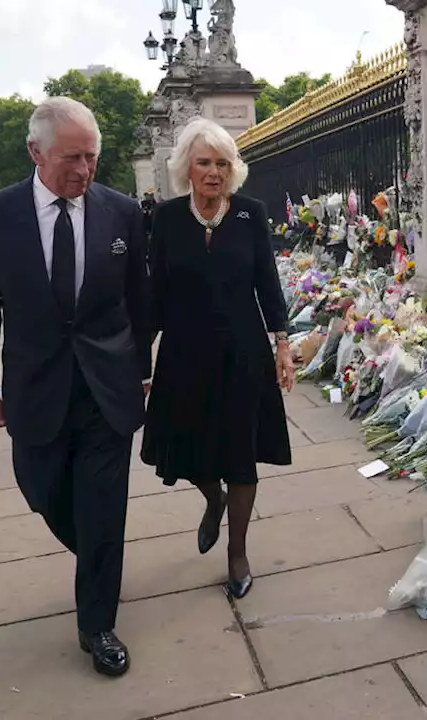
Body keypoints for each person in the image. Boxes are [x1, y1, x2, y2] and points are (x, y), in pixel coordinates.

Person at [0, 96, 151, 678]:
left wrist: (142, 369)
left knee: (103, 507)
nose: (84, 170)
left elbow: (139, 301)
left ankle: (97, 622)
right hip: (34, 384)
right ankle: (95, 555)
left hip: (107, 386)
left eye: (92, 157)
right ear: (35, 152)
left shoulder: (121, 212)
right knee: (41, 489)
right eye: (72, 157)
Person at [141, 117, 294, 601]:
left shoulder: (250, 213)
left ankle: (238, 551)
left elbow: (267, 282)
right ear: (186, 166)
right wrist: (141, 359)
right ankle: (213, 500)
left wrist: (283, 343)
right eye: (204, 162)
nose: (213, 172)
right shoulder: (165, 218)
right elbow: (156, 290)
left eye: (222, 163)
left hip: (243, 351)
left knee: (241, 452)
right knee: (187, 447)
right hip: (185, 352)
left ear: (233, 169)